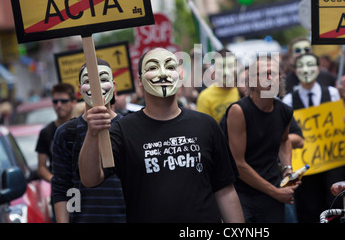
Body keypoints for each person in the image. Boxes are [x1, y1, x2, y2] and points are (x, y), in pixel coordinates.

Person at [78, 48, 243, 223]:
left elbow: (225, 190)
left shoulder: (206, 125)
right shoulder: (122, 130)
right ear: (140, 80)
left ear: (179, 76)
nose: (163, 74)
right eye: (153, 68)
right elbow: (90, 179)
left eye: (170, 67)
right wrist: (93, 133)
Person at [224, 54, 297, 223]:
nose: (270, 78)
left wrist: (288, 169)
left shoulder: (285, 110)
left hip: (272, 190)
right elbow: (238, 164)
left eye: (274, 73)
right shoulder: (239, 111)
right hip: (242, 193)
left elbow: (284, 140)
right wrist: (276, 192)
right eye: (264, 74)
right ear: (251, 80)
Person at [51, 59, 126, 223]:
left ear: (113, 86)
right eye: (88, 81)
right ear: (80, 90)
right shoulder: (65, 133)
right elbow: (61, 188)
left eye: (103, 79)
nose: (96, 85)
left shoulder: (130, 127)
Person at [282, 52, 345, 223]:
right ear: (295, 71)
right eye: (301, 66)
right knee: (309, 206)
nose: (306, 70)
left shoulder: (333, 93)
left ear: (319, 69)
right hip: (306, 166)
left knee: (333, 204)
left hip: (332, 161)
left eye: (311, 65)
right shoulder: (289, 99)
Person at [35, 83, 77, 183]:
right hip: (60, 192)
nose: (59, 105)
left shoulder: (82, 127)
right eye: (55, 101)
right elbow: (41, 168)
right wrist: (55, 181)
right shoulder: (46, 132)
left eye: (63, 101)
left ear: (73, 102)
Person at [196, 49, 240, 123]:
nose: (226, 72)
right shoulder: (205, 97)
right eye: (221, 67)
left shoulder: (245, 91)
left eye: (230, 66)